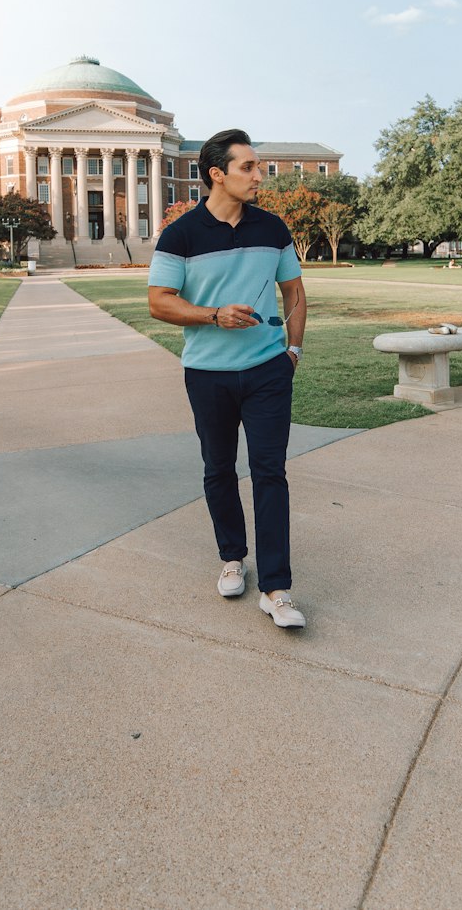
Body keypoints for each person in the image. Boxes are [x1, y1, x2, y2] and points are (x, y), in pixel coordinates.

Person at [148, 129, 308, 629]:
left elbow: (296, 294)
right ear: (217, 174)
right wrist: (213, 315)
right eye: (248, 167)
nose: (259, 175)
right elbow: (158, 302)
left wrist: (292, 352)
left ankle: (277, 589)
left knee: (270, 472)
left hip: (267, 372)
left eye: (258, 166)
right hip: (207, 375)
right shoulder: (181, 234)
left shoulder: (272, 227)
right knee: (219, 468)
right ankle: (232, 557)